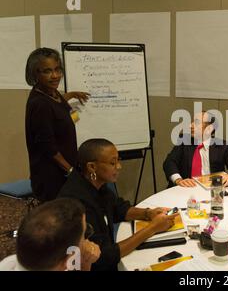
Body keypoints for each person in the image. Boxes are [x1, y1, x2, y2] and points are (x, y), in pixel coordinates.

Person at [59, 138, 177, 271]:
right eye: (112, 163)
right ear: (92, 167)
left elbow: (118, 208)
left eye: (118, 160)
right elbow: (104, 256)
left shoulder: (94, 182)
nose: (119, 167)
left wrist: (148, 213)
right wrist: (152, 229)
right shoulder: (78, 202)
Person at [25, 47, 90, 202]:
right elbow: (47, 146)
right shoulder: (39, 104)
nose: (55, 76)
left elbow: (58, 103)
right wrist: (71, 170)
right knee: (59, 220)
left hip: (65, 171)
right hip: (52, 177)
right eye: (47, 71)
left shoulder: (53, 93)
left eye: (57, 69)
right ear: (35, 74)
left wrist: (72, 94)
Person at [0, 198, 100, 271]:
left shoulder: (8, 263)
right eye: (84, 234)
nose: (86, 240)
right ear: (66, 261)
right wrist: (85, 263)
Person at [163, 111, 228, 187]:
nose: (190, 125)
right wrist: (178, 180)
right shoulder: (184, 141)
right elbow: (169, 162)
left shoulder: (222, 146)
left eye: (196, 122)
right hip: (187, 190)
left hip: (211, 192)